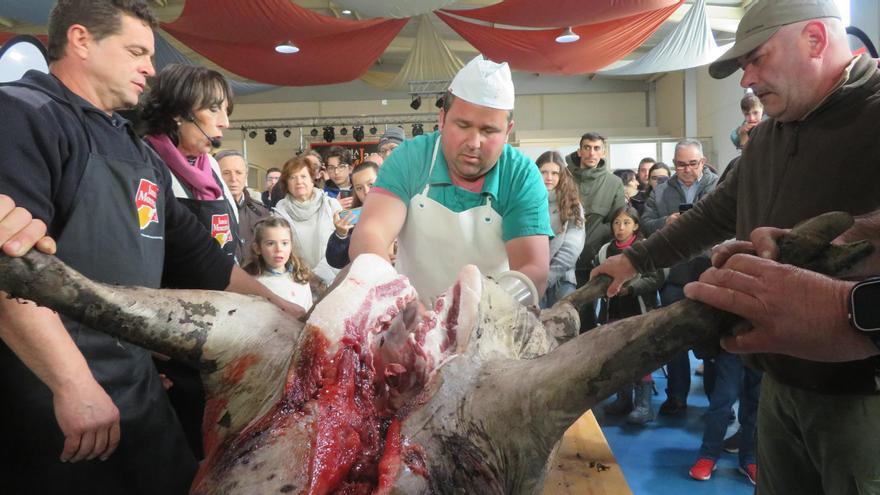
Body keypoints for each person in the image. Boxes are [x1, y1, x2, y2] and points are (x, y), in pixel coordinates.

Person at [0, 2, 303, 492]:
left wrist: (286, 312)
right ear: (81, 41)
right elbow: (9, 264)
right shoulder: (22, 114)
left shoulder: (134, 147)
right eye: (136, 51)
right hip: (48, 392)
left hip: (135, 386)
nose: (150, 68)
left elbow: (200, 258)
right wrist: (71, 382)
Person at [593, 1, 880, 492]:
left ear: (814, 39)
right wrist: (635, 258)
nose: (746, 79)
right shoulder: (768, 135)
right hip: (779, 383)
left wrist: (849, 299)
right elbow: (715, 213)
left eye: (757, 58)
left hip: (861, 398)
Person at [350, 55, 552, 303]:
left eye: (489, 131)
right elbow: (370, 234)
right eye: (463, 125)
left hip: (491, 316)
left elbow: (533, 269)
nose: (474, 143)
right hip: (409, 311)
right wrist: (396, 300)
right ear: (442, 119)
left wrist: (483, 314)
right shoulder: (411, 158)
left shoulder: (521, 175)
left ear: (508, 131)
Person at [641, 139, 718, 416]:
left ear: (703, 160)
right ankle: (676, 397)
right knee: (674, 342)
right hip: (674, 275)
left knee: (712, 343)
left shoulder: (719, 187)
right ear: (674, 164)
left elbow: (731, 224)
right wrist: (667, 223)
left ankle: (717, 401)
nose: (686, 169)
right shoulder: (661, 192)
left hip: (710, 273)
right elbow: (646, 224)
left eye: (692, 163)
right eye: (681, 164)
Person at [140, 63, 240, 268]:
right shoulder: (144, 163)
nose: (225, 122)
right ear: (178, 113)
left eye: (225, 110)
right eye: (213, 109)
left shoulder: (212, 165)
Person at [596, 206, 664, 425]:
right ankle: (623, 399)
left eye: (626, 223)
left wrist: (631, 288)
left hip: (639, 312)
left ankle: (643, 405)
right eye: (616, 223)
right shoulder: (606, 250)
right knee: (618, 357)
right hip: (614, 312)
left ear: (636, 225)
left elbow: (655, 278)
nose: (620, 228)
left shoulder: (644, 249)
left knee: (640, 357)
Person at [567, 131, 626, 330]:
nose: (592, 153)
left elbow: (616, 223)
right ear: (579, 151)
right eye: (587, 148)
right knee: (560, 313)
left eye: (596, 148)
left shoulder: (614, 183)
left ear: (603, 152)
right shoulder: (563, 178)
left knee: (587, 315)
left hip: (594, 259)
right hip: (561, 260)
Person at [273, 154, 341, 285]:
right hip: (297, 282)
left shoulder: (331, 205)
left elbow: (341, 244)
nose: (299, 181)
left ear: (312, 179)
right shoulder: (279, 214)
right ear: (286, 183)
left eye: (303, 176)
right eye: (292, 177)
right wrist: (306, 277)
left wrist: (319, 276)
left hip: (332, 281)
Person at [536, 150, 584, 308]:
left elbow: (572, 248)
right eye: (544, 172)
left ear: (562, 175)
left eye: (555, 173)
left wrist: (548, 278)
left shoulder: (573, 204)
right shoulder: (524, 201)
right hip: (531, 279)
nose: (549, 177)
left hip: (563, 278)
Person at [244, 216, 313, 310]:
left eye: (284, 243)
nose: (279, 249)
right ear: (257, 248)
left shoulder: (301, 277)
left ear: (291, 245)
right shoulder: (252, 283)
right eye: (270, 243)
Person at [217, 149, 269, 267]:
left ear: (246, 175)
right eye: (226, 173)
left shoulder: (261, 212)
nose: (233, 178)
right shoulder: (206, 212)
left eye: (239, 172)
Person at [326, 160, 379, 269]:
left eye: (371, 184)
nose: (366, 191)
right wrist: (341, 235)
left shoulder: (403, 210)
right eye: (359, 188)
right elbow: (336, 262)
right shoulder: (352, 219)